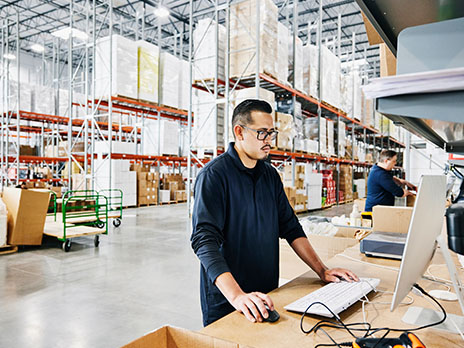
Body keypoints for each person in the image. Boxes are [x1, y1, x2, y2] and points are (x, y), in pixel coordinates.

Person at [191, 99, 358, 327]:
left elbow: (290, 227)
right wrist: (237, 296)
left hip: (268, 295)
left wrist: (322, 270)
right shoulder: (214, 176)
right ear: (239, 132)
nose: (269, 141)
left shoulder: (270, 176)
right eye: (262, 133)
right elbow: (204, 241)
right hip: (228, 301)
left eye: (271, 133)